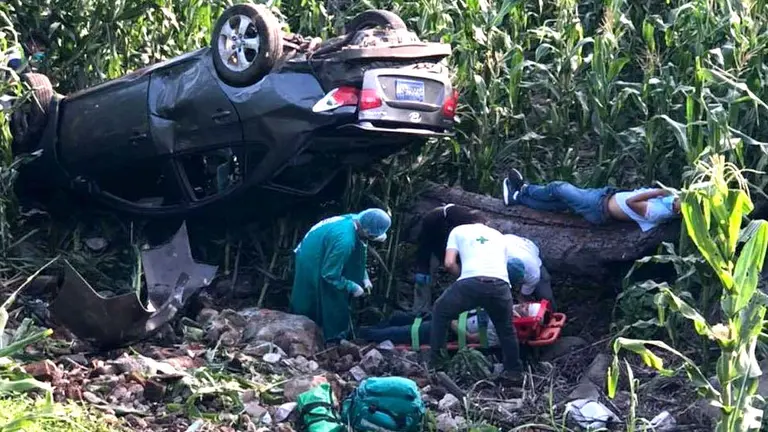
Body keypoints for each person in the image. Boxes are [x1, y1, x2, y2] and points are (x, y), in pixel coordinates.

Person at [430, 218, 524, 380]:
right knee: (506, 328)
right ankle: (514, 372)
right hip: (500, 285)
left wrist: (463, 278)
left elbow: (449, 263)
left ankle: (438, 365)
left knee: (440, 311)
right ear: (486, 224)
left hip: (471, 282)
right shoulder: (499, 236)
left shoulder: (458, 230)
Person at [357, 259, 527, 346]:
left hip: (449, 330)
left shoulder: (502, 331)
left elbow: (472, 339)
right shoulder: (505, 302)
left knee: (400, 332)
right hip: (451, 315)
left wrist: (451, 322)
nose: (522, 308)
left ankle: (358, 335)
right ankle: (370, 327)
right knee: (398, 317)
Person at [290, 208, 392, 342]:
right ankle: (326, 337)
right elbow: (329, 274)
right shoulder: (344, 241)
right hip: (312, 257)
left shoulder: (357, 220)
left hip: (323, 247)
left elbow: (359, 251)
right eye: (371, 237)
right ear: (367, 232)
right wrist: (351, 286)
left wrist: (364, 276)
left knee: (331, 289)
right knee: (318, 295)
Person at [502, 169, 681, 232]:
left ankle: (524, 189)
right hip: (603, 198)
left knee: (559, 188)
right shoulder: (672, 199)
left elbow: (631, 203)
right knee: (558, 203)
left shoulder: (661, 212)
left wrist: (658, 192)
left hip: (598, 208)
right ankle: (517, 199)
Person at [412, 204, 487, 312]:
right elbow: (424, 245)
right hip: (436, 250)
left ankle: (459, 314)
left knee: (465, 284)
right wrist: (423, 268)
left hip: (463, 256)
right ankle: (419, 312)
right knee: (423, 282)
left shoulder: (472, 225)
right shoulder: (432, 219)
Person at [504, 233, 556, 310]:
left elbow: (524, 297)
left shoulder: (533, 272)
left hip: (527, 246)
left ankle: (552, 314)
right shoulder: (491, 261)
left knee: (545, 295)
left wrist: (522, 306)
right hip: (508, 242)